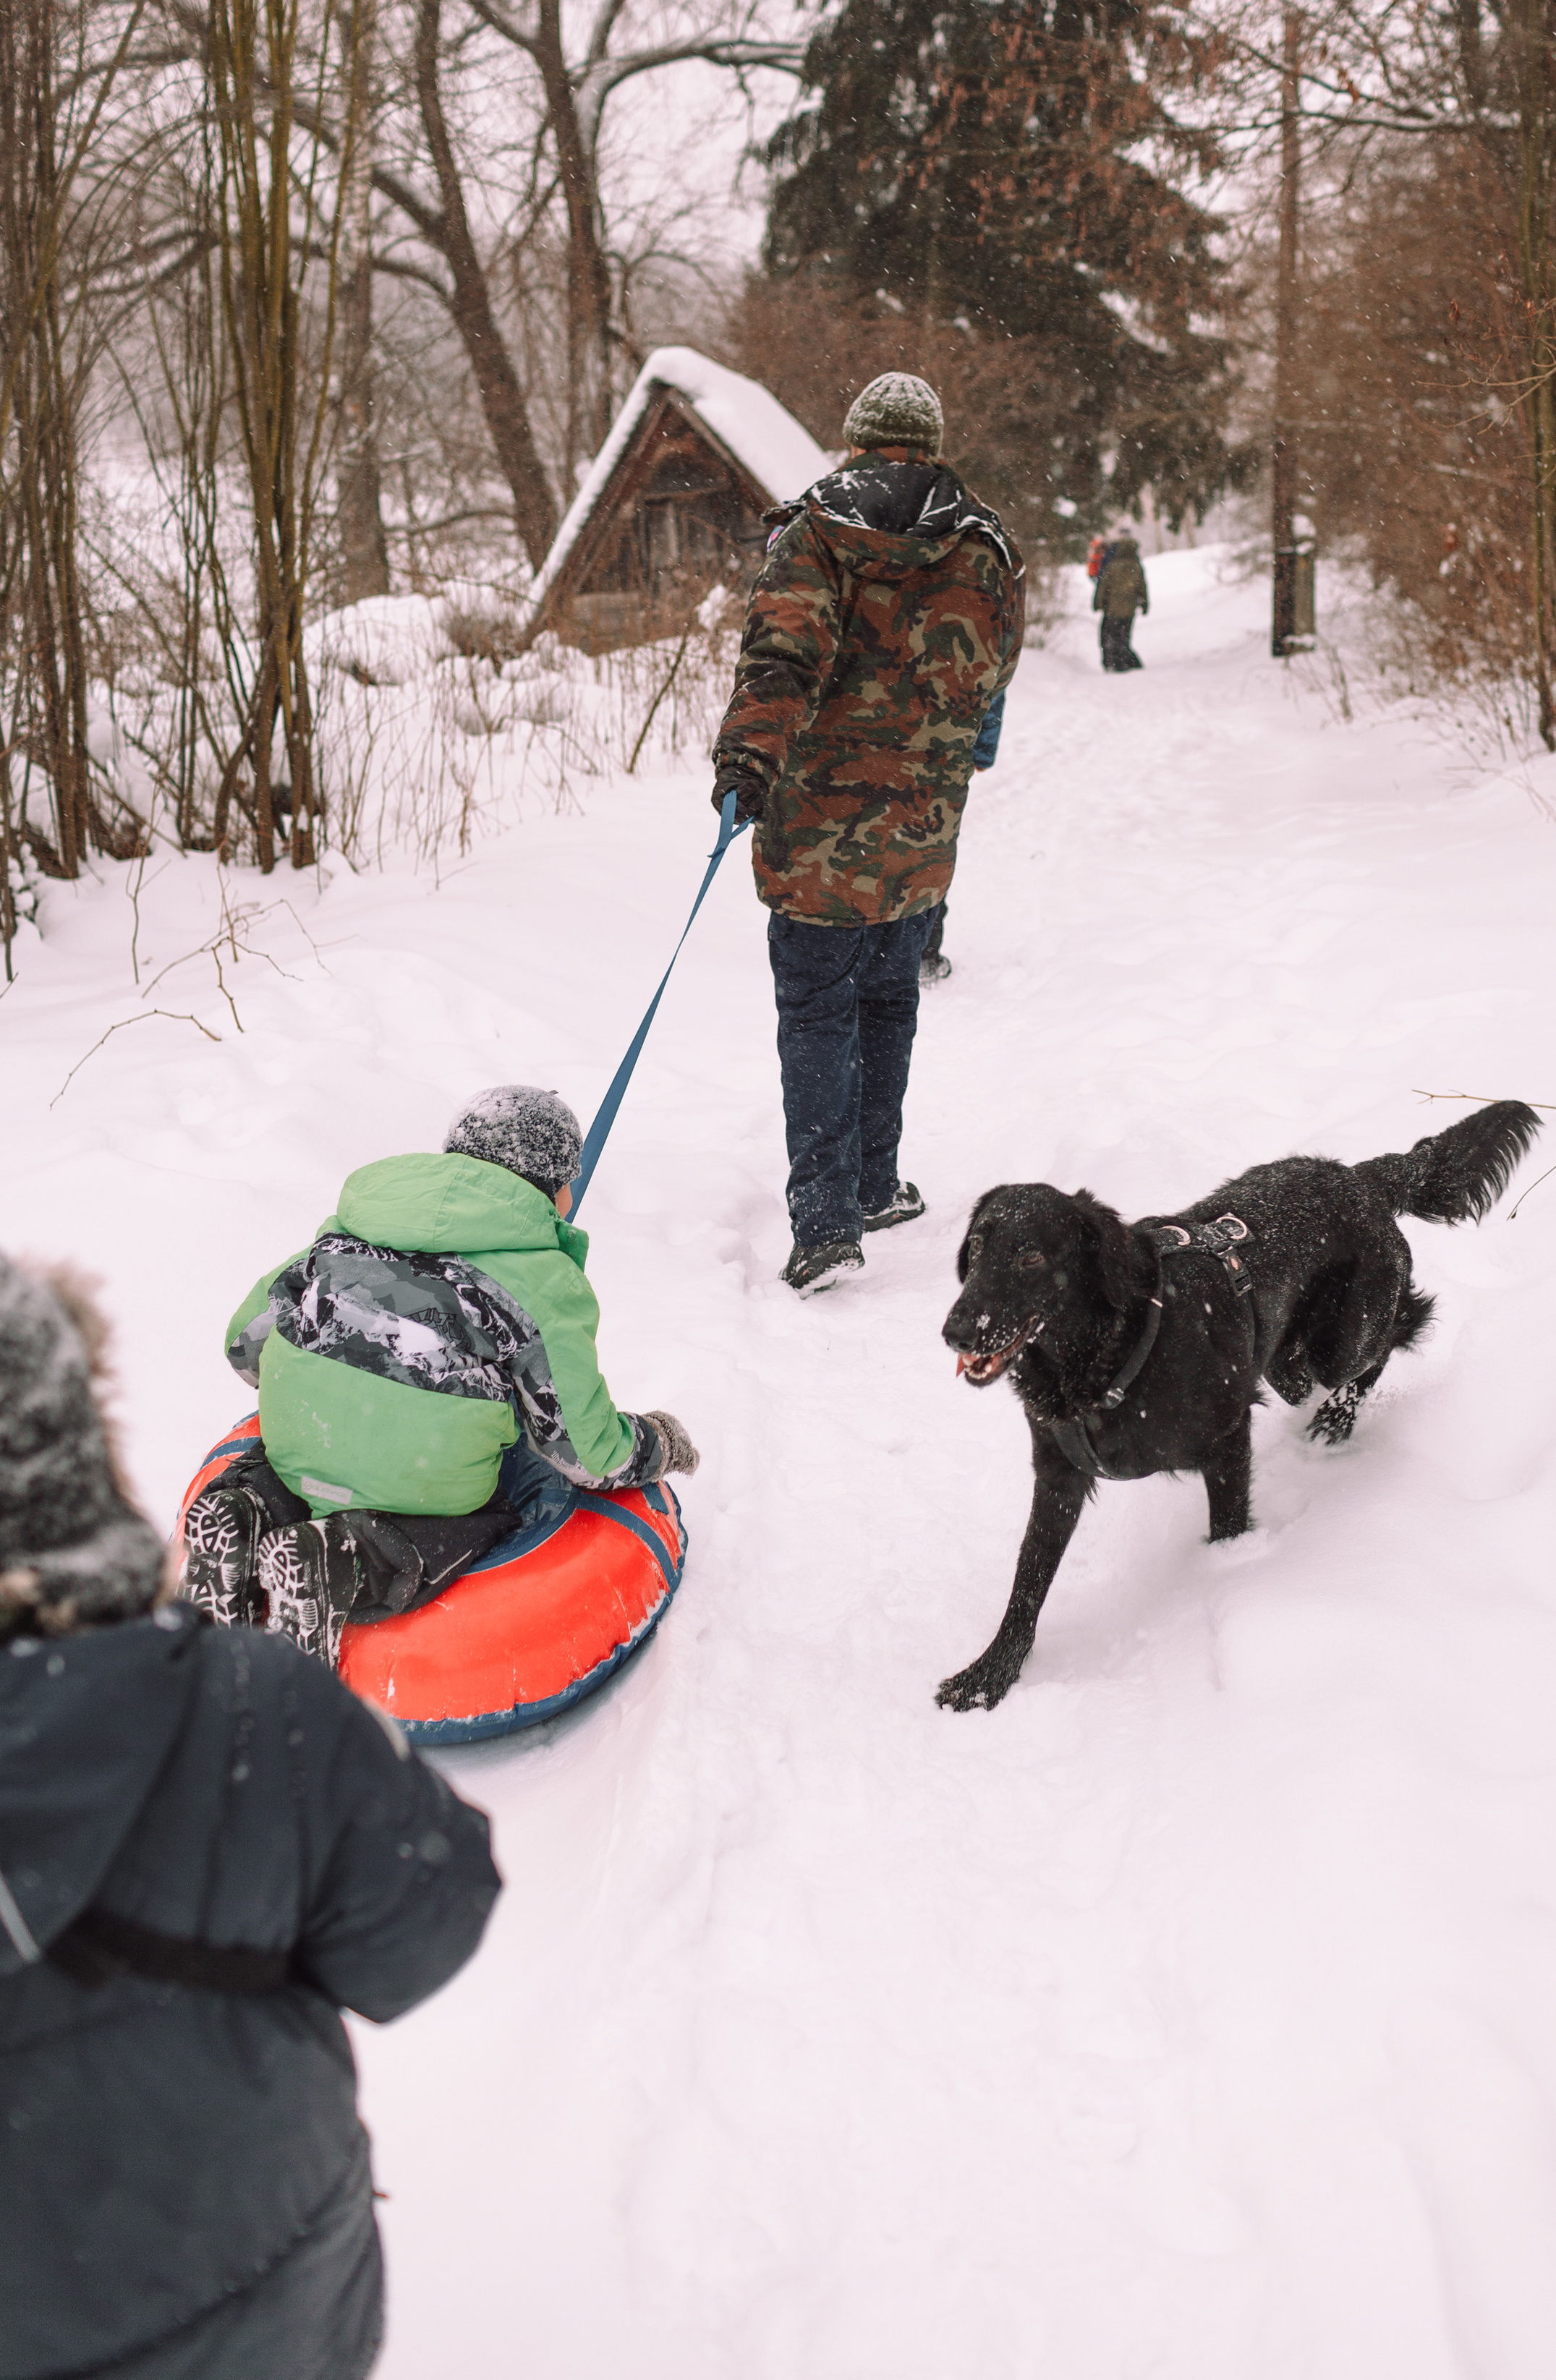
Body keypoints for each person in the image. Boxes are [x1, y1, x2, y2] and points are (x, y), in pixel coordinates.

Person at [0, 1251, 500, 2380]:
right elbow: (427, 1927)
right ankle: (352, 1554)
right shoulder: (254, 1707)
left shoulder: (328, 1253)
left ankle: (255, 1511)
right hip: (276, 2288)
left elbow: (250, 1340)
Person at [182, 1083, 701, 1668]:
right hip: (421, 1477)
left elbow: (243, 1344)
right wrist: (659, 1442)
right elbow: (582, 1452)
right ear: (557, 1190)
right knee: (483, 1511)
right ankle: (341, 1562)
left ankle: (250, 1509)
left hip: (302, 1437)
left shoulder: (352, 1226)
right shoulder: (543, 1277)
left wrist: (338, 1383)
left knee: (306, 1468)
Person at [710, 372, 1024, 1294]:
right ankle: (875, 1184)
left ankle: (825, 1223)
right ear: (931, 444)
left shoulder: (815, 533)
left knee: (817, 1013)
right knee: (889, 1002)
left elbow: (780, 659)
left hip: (816, 829)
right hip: (918, 829)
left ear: (855, 440)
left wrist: (748, 762)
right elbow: (993, 672)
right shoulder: (985, 546)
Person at [918, 687, 1006, 986]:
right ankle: (923, 956)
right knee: (926, 854)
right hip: (941, 753)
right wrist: (983, 751)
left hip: (867, 749)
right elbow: (993, 682)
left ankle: (865, 955)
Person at [1095, 534, 1149, 670]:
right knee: (1124, 637)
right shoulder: (1136, 566)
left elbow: (1104, 586)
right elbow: (1142, 587)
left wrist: (1099, 602)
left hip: (1112, 609)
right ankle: (1127, 662)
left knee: (1110, 635)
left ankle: (1115, 662)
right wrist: (1144, 604)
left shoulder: (1112, 566)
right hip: (1129, 609)